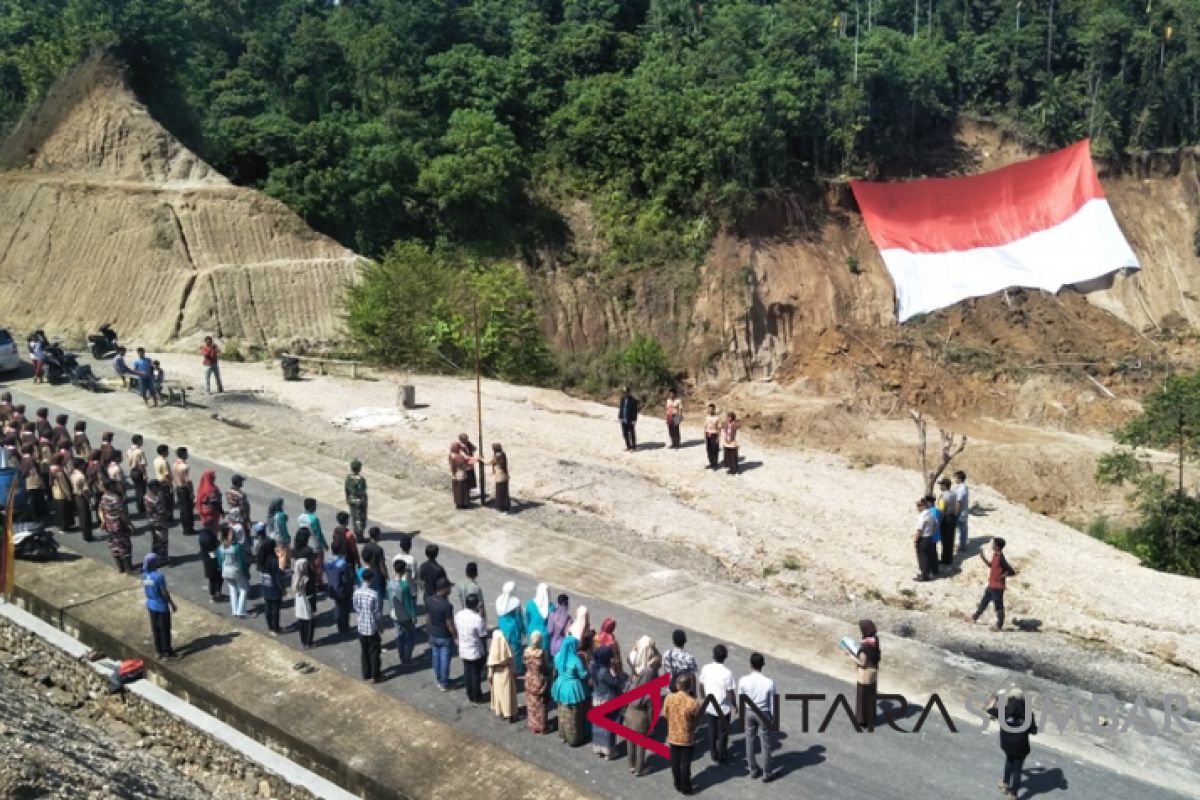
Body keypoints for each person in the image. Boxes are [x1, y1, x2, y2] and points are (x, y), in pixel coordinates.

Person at [987, 688, 1038, 800]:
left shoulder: (1004, 710)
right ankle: (1013, 795)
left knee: (1009, 761)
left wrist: (995, 698)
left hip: (1007, 745)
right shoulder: (1028, 713)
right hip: (1021, 747)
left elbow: (989, 709)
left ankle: (1005, 785)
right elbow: (1034, 731)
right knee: (1017, 770)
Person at [625, 636, 661, 776]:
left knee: (630, 743)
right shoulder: (648, 693)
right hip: (641, 719)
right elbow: (651, 709)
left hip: (629, 715)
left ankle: (631, 765)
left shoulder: (632, 686)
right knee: (641, 746)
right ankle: (639, 770)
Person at [739, 652, 778, 782]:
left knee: (749, 740)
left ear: (750, 664)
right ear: (762, 665)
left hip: (749, 712)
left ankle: (753, 769)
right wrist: (773, 717)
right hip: (763, 713)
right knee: (765, 743)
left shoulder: (743, 680)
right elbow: (772, 703)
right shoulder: (769, 683)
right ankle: (767, 773)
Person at [551, 630, 590, 746]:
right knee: (574, 715)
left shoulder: (558, 656)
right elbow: (583, 674)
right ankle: (574, 738)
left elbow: (556, 669)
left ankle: (563, 735)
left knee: (561, 711)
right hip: (573, 689)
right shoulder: (575, 659)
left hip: (560, 685)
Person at [699, 644, 736, 763]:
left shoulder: (706, 668)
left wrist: (704, 697)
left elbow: (701, 684)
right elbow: (730, 692)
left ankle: (713, 753)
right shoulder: (727, 673)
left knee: (711, 731)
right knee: (723, 732)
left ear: (713, 655)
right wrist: (734, 705)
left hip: (710, 706)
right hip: (723, 707)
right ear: (725, 657)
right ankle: (722, 754)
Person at [664, 673, 700, 795]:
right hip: (687, 738)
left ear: (678, 685)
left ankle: (677, 783)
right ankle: (686, 788)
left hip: (673, 736)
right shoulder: (693, 702)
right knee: (685, 764)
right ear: (689, 686)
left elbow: (665, 714)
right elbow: (697, 719)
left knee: (674, 761)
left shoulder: (669, 698)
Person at [972, 537, 1016, 631]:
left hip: (998, 587)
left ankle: (999, 625)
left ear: (997, 546)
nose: (992, 545)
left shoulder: (1000, 557)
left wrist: (1001, 576)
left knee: (998, 606)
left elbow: (1011, 571)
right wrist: (983, 557)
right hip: (992, 585)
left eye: (993, 544)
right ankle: (974, 617)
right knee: (984, 602)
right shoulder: (995, 555)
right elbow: (991, 566)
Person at [590, 646, 627, 759]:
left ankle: (598, 747)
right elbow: (615, 682)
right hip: (607, 700)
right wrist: (617, 674)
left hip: (596, 699)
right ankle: (609, 751)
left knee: (598, 725)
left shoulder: (593, 667)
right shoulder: (604, 672)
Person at [142, 554, 178, 659]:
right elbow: (164, 592)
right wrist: (172, 603)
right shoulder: (159, 576)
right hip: (161, 606)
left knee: (155, 628)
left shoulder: (144, 575)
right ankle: (167, 651)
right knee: (165, 629)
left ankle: (159, 650)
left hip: (150, 604)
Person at [426, 577, 457, 691]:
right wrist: (455, 636)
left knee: (436, 657)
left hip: (433, 634)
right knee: (444, 659)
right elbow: (449, 624)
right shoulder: (446, 606)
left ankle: (439, 678)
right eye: (449, 587)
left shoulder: (429, 600)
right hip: (444, 636)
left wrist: (429, 631)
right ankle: (444, 683)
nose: (450, 590)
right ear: (444, 589)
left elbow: (428, 617)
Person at [849, 619, 880, 729]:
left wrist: (851, 656)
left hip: (865, 675)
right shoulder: (875, 640)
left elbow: (862, 663)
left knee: (863, 697)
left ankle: (862, 721)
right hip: (873, 672)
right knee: (871, 695)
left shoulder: (865, 647)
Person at [354, 568, 383, 683]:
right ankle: (375, 675)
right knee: (374, 653)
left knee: (364, 652)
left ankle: (366, 674)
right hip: (371, 627)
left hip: (361, 625)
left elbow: (356, 607)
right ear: (371, 579)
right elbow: (377, 612)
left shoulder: (356, 592)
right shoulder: (374, 594)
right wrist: (380, 625)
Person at [487, 614, 519, 720]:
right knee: (508, 695)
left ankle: (501, 713)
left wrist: (490, 676)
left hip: (497, 674)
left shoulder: (493, 650)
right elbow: (512, 662)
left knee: (499, 695)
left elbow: (490, 666)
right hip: (506, 672)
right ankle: (510, 714)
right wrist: (514, 672)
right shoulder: (506, 647)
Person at [255, 524, 285, 635]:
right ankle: (276, 627)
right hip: (274, 586)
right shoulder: (273, 561)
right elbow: (278, 575)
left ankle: (270, 626)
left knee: (268, 606)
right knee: (276, 608)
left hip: (264, 585)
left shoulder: (261, 559)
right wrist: (282, 588)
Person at [387, 554, 417, 664]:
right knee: (411, 637)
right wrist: (413, 615)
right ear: (404, 571)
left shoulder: (390, 583)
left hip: (394, 613)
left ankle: (401, 656)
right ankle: (406, 658)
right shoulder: (405, 586)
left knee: (399, 635)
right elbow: (409, 603)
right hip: (405, 615)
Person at [99, 480, 133, 573]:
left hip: (109, 525)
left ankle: (120, 568)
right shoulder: (116, 499)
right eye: (115, 485)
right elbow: (122, 514)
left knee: (114, 546)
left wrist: (103, 521)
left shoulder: (104, 497)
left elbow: (101, 509)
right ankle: (128, 569)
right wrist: (129, 524)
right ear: (111, 487)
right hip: (118, 525)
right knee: (125, 546)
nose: (117, 486)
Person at [292, 530, 318, 649]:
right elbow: (312, 568)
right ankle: (309, 642)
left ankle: (303, 641)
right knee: (310, 616)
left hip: (298, 587)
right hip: (308, 586)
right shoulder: (308, 551)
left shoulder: (296, 550)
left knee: (301, 616)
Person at [216, 524, 250, 618]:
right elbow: (241, 561)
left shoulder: (221, 547)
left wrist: (221, 568)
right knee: (244, 589)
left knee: (232, 589)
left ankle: (234, 610)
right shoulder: (236, 547)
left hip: (225, 570)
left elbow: (219, 560)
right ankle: (240, 610)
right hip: (235, 570)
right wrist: (246, 572)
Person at [495, 581, 525, 675]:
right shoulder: (515, 602)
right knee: (515, 650)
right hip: (513, 629)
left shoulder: (499, 600)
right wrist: (523, 630)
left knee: (504, 648)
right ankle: (518, 669)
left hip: (502, 627)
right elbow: (519, 617)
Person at [325, 536, 354, 633]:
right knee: (345, 609)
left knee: (338, 606)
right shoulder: (343, 564)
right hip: (343, 589)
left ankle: (339, 626)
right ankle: (344, 627)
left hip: (332, 587)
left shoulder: (328, 560)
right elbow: (346, 579)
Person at [524, 630, 550, 733]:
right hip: (538, 679)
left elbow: (524, 663)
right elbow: (545, 666)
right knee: (540, 703)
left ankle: (532, 724)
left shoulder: (526, 651)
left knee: (531, 703)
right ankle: (542, 725)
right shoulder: (541, 653)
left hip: (529, 677)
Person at [299, 498, 329, 588]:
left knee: (310, 564)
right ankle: (319, 582)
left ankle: (311, 580)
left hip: (306, 543)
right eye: (315, 505)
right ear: (311, 507)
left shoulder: (300, 517)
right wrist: (325, 544)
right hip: (315, 545)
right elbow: (318, 534)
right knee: (318, 565)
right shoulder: (314, 519)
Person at [197, 516, 223, 603]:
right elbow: (213, 550)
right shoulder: (208, 537)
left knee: (212, 580)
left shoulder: (203, 533)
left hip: (207, 560)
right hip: (212, 560)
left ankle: (213, 595)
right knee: (218, 578)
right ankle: (217, 594)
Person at [664, 629, 698, 694]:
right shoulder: (689, 657)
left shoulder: (667, 654)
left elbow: (666, 673)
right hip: (684, 690)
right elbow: (692, 676)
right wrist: (694, 693)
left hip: (671, 688)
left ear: (673, 641)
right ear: (685, 641)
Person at [143, 480, 170, 564]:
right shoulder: (157, 498)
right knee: (162, 541)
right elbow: (161, 511)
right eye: (158, 487)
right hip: (159, 522)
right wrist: (168, 514)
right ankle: (162, 559)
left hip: (151, 521)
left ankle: (154, 557)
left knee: (155, 540)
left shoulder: (146, 495)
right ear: (154, 488)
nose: (159, 488)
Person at [913, 496, 938, 582]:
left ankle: (924, 575)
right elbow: (936, 525)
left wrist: (915, 540)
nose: (917, 508)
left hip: (923, 539)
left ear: (923, 506)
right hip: (929, 538)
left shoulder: (922, 516)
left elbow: (919, 530)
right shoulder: (931, 515)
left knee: (922, 557)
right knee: (927, 557)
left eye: (919, 505)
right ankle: (926, 573)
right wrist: (931, 533)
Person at [344, 460, 368, 540]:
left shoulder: (348, 478)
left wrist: (347, 498)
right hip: (359, 501)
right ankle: (359, 536)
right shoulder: (361, 479)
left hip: (351, 499)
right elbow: (362, 491)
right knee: (360, 519)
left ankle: (356, 533)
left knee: (354, 517)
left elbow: (346, 489)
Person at [173, 447, 194, 536]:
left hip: (178, 487)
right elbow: (187, 481)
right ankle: (188, 528)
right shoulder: (185, 467)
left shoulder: (175, 464)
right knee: (188, 510)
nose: (187, 454)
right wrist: (192, 492)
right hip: (185, 489)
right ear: (183, 454)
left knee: (182, 509)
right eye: (186, 453)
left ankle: (185, 527)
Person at [937, 476, 958, 564]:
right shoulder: (953, 494)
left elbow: (941, 510)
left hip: (946, 519)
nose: (940, 486)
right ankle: (949, 558)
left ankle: (945, 560)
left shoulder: (943, 496)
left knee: (945, 540)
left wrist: (938, 521)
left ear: (944, 486)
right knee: (950, 539)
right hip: (953, 517)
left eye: (941, 484)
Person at [195, 469, 223, 535]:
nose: (215, 478)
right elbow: (215, 503)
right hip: (212, 512)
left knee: (207, 528)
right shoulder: (212, 489)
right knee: (213, 529)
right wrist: (221, 511)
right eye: (213, 476)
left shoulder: (202, 487)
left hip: (204, 511)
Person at [525, 583, 552, 649]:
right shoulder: (551, 607)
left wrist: (527, 630)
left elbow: (527, 620)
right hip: (545, 635)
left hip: (532, 633)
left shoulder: (530, 604)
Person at [126, 435, 148, 516]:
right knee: (142, 490)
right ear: (138, 441)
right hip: (139, 472)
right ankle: (142, 507)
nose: (142, 442)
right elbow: (142, 465)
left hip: (132, 471)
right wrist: (145, 474)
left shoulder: (129, 450)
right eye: (141, 440)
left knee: (137, 490)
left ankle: (139, 506)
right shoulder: (139, 451)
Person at [267, 498, 290, 570]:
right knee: (282, 556)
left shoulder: (270, 515)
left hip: (271, 536)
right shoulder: (280, 515)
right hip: (280, 538)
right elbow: (283, 529)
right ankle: (282, 570)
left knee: (278, 554)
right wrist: (287, 538)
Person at [487, 443, 511, 512]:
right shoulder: (503, 454)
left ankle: (500, 506)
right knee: (505, 491)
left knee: (499, 492)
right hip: (504, 475)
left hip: (500, 475)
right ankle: (506, 505)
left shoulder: (497, 456)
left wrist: (480, 459)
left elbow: (489, 462)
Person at [153, 444, 173, 522]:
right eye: (167, 451)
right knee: (168, 502)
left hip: (159, 481)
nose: (168, 452)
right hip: (165, 483)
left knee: (163, 500)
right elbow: (166, 475)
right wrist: (171, 486)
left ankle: (165, 516)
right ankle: (169, 518)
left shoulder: (156, 460)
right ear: (164, 452)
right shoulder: (164, 462)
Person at [547, 593, 571, 658]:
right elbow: (568, 633)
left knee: (554, 664)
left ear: (557, 603)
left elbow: (550, 631)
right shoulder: (569, 618)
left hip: (554, 642)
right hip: (563, 644)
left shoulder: (552, 615)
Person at [449, 442, 471, 509]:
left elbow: (452, 466)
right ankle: (464, 503)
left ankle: (458, 504)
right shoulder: (459, 457)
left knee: (457, 491)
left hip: (455, 475)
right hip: (462, 474)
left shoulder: (451, 455)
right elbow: (466, 463)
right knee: (463, 490)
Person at [618, 387, 639, 451]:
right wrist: (620, 416)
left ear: (629, 392)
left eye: (626, 392)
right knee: (625, 433)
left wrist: (634, 420)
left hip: (630, 419)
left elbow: (635, 411)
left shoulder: (633, 400)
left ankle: (633, 447)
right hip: (623, 419)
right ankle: (628, 446)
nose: (625, 394)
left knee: (632, 433)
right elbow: (621, 408)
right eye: (624, 392)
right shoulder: (622, 399)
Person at [954, 470, 970, 550]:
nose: (955, 479)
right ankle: (962, 544)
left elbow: (958, 502)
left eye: (956, 477)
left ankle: (962, 546)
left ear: (959, 478)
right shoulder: (963, 487)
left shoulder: (961, 489)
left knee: (962, 530)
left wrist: (955, 513)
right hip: (964, 512)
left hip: (961, 513)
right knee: (962, 530)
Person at [702, 404, 721, 469]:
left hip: (714, 435)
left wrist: (718, 438)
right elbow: (705, 427)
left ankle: (715, 464)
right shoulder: (706, 417)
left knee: (715, 449)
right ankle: (711, 463)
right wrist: (704, 436)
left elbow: (719, 428)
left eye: (711, 409)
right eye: (709, 409)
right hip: (708, 434)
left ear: (714, 409)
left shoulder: (717, 418)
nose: (710, 410)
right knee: (709, 449)